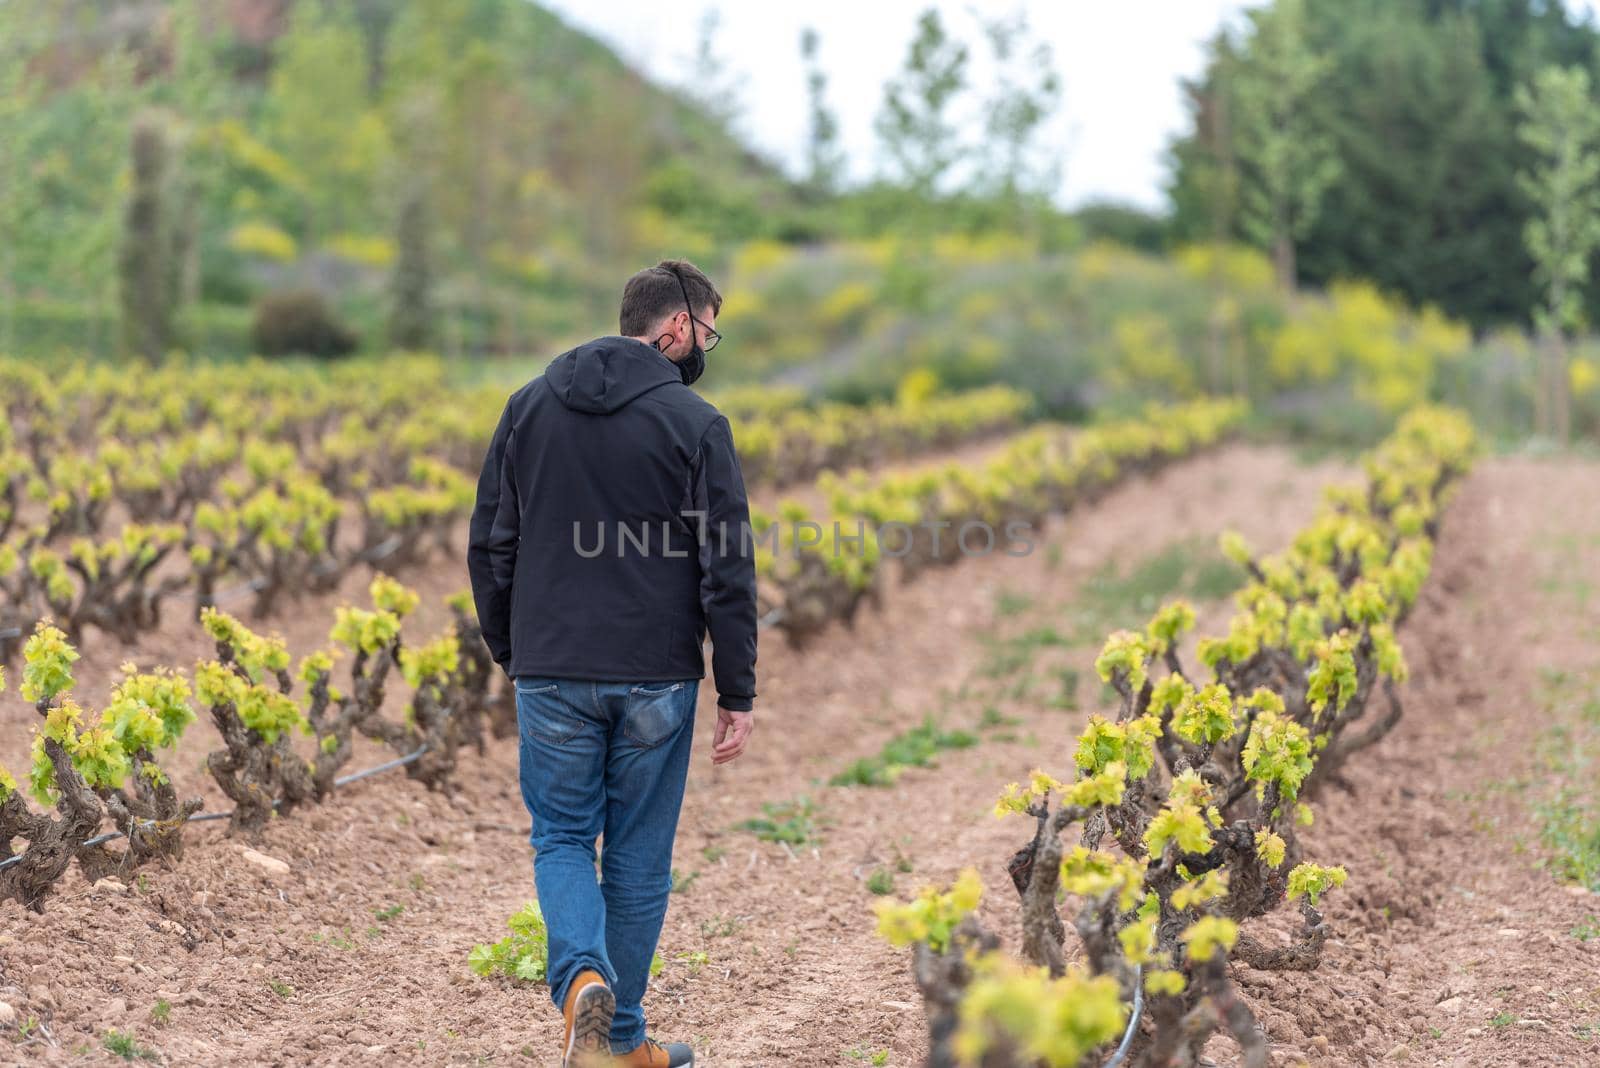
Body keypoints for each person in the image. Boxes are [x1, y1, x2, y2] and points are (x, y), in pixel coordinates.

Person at [467, 260, 758, 1068]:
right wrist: (737, 687)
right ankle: (617, 1032)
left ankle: (584, 986)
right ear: (673, 329)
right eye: (706, 329)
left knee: (561, 836)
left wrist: (514, 649)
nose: (706, 346)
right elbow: (726, 566)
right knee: (636, 859)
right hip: (656, 674)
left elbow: (491, 541)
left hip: (552, 666)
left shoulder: (527, 407)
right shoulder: (696, 424)